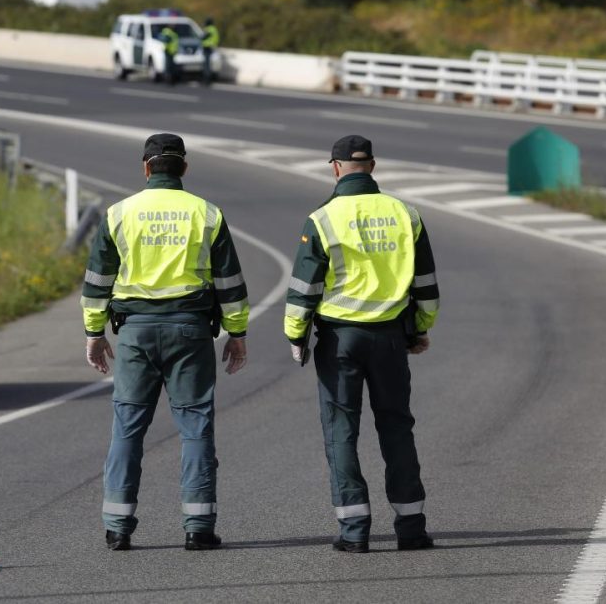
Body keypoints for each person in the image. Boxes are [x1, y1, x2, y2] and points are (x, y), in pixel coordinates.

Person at [82, 133, 250, 552]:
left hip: (136, 332)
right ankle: (198, 526)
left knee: (128, 429)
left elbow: (98, 280)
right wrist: (237, 333)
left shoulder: (119, 213)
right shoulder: (207, 214)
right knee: (195, 428)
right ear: (184, 169)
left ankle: (117, 527)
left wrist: (93, 331)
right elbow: (230, 283)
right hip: (190, 331)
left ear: (145, 168)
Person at [284, 134, 439, 554]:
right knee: (397, 428)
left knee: (341, 432)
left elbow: (304, 288)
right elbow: (425, 284)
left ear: (334, 167)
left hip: (340, 341)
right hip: (390, 338)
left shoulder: (322, 219)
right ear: (373, 166)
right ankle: (411, 528)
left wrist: (296, 336)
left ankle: (354, 532)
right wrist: (418, 329)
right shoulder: (406, 214)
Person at [200, 18, 220, 86]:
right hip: (212, 47)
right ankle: (208, 79)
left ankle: (206, 80)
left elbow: (203, 37)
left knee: (206, 65)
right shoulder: (214, 29)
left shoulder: (209, 29)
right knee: (208, 64)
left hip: (207, 47)